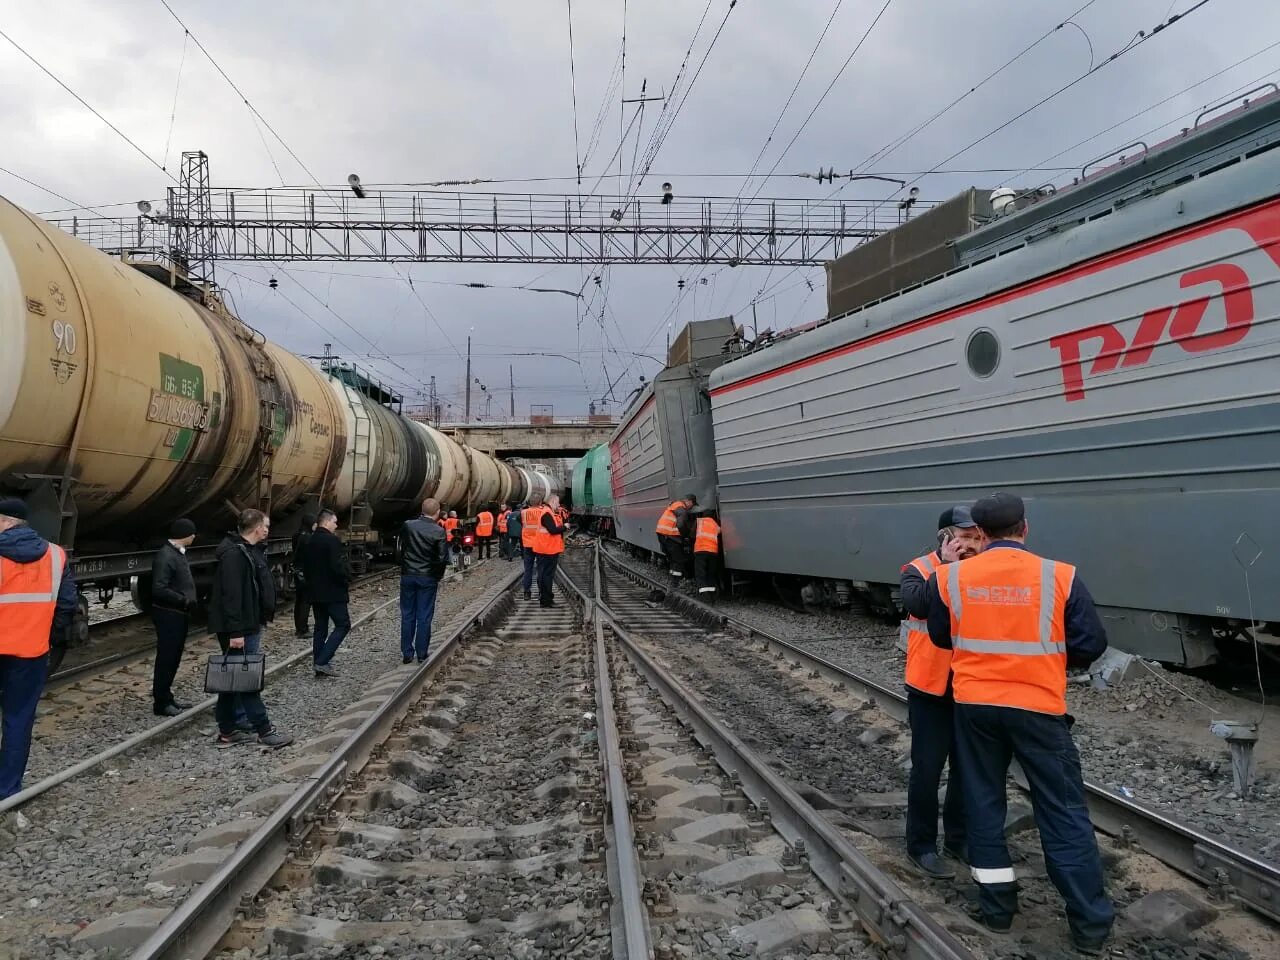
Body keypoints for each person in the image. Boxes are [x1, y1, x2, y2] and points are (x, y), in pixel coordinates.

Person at [927, 492, 1112, 952]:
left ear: (982, 535)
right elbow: (1090, 644)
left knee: (984, 803)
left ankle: (998, 909)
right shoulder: (1059, 575)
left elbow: (939, 634)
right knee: (1063, 808)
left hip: (976, 708)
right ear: (1024, 529)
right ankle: (1089, 926)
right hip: (1038, 706)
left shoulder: (951, 578)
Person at [898, 505, 982, 880]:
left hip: (971, 687)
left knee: (966, 771)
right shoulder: (918, 570)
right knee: (928, 770)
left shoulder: (983, 571)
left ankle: (958, 840)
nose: (970, 545)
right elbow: (918, 605)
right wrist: (949, 568)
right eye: (963, 538)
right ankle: (922, 845)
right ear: (945, 539)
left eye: (976, 538)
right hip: (930, 688)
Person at [0, 498, 77, 800]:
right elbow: (67, 604)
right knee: (18, 719)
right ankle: (8, 790)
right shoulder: (56, 555)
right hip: (31, 652)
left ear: (4, 522)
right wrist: (48, 635)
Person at [208, 509, 293, 749]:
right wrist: (236, 632)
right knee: (247, 678)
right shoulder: (235, 555)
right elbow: (232, 596)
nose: (267, 530)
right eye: (265, 526)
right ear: (256, 528)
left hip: (247, 623)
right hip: (240, 628)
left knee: (232, 678)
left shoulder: (246, 551)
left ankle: (227, 730)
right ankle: (264, 730)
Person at [150, 518, 198, 716]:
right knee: (167, 658)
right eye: (192, 533)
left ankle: (167, 697)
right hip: (170, 614)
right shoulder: (166, 556)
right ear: (184, 535)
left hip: (177, 614)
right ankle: (161, 702)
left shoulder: (176, 553)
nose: (194, 536)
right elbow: (159, 588)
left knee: (173, 657)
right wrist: (183, 600)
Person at [299, 509, 350, 678]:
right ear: (327, 522)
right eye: (335, 522)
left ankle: (318, 663)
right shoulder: (332, 541)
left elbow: (305, 567)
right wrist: (345, 579)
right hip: (333, 593)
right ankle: (322, 660)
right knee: (343, 625)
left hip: (315, 592)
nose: (336, 525)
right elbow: (337, 567)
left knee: (320, 628)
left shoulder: (309, 540)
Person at [400, 498, 448, 664]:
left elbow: (401, 548)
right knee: (424, 615)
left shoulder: (408, 525)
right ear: (437, 512)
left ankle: (407, 653)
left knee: (407, 614)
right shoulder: (438, 531)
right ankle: (421, 653)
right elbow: (442, 558)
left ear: (422, 509)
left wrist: (404, 567)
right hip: (427, 577)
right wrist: (437, 575)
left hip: (408, 575)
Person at [533, 495, 566, 608]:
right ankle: (546, 600)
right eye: (557, 503)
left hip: (546, 548)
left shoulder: (547, 512)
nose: (558, 505)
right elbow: (552, 530)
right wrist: (565, 527)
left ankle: (545, 599)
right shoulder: (547, 513)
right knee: (547, 575)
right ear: (552, 501)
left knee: (544, 574)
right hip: (547, 550)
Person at [656, 494, 696, 579]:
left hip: (662, 534)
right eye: (693, 505)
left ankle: (673, 580)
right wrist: (686, 536)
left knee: (673, 560)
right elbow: (681, 525)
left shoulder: (675, 505)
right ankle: (675, 584)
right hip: (669, 536)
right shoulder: (681, 509)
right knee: (679, 560)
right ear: (689, 501)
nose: (691, 508)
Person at [291, 513, 317, 638]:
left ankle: (298, 627)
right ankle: (303, 629)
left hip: (297, 572)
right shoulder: (309, 538)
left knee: (299, 601)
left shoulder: (296, 535)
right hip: (306, 573)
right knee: (306, 602)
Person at [692, 511, 722, 602]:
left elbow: (692, 534)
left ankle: (704, 597)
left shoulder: (699, 521)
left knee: (700, 573)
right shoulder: (715, 524)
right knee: (711, 573)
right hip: (713, 552)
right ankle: (713, 596)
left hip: (700, 550)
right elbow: (719, 534)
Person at [520, 494, 545, 600]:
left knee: (528, 569)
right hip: (539, 544)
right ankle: (541, 592)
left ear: (529, 503)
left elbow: (519, 521)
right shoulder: (543, 512)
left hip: (527, 544)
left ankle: (526, 592)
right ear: (540, 503)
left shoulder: (523, 512)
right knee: (541, 569)